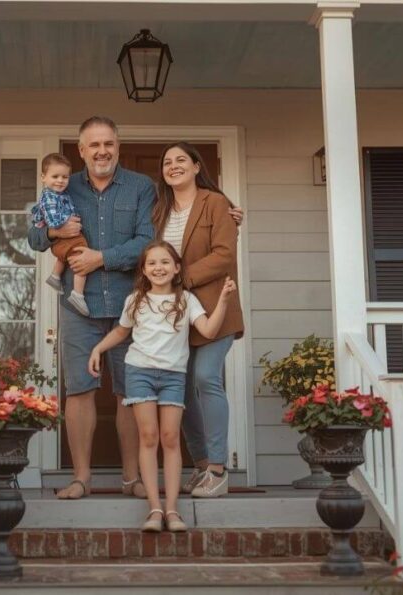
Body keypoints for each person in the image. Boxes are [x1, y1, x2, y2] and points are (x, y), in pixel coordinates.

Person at [27, 116, 155, 500]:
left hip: (128, 304)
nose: (102, 151)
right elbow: (34, 236)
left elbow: (147, 241)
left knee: (130, 391)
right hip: (78, 307)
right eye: (93, 145)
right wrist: (54, 232)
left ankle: (132, 478)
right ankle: (81, 477)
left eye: (109, 144)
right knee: (80, 389)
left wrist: (102, 258)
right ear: (81, 150)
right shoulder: (64, 183)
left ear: (117, 146)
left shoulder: (140, 187)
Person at [88, 240, 236, 532]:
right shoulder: (135, 300)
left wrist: (223, 302)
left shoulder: (187, 300)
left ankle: (172, 510)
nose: (159, 268)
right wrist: (97, 350)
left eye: (165, 262)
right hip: (139, 372)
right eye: (152, 263)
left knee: (170, 438)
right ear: (143, 269)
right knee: (149, 436)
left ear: (177, 268)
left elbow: (207, 329)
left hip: (172, 376)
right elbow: (121, 330)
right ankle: (154, 509)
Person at [153, 142, 245, 499]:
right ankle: (202, 463)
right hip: (172, 316)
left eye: (180, 160)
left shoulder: (215, 203)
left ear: (195, 166)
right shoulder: (158, 211)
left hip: (214, 308)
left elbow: (223, 255)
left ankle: (220, 470)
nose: (173, 166)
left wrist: (181, 278)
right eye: (166, 162)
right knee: (182, 390)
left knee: (206, 378)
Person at [30, 153, 89, 316]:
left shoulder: (59, 195)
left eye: (65, 177)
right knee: (81, 261)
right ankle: (77, 294)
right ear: (43, 177)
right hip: (66, 236)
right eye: (55, 176)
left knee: (64, 256)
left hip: (63, 242)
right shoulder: (49, 197)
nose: (60, 180)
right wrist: (68, 220)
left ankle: (55, 276)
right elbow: (54, 221)